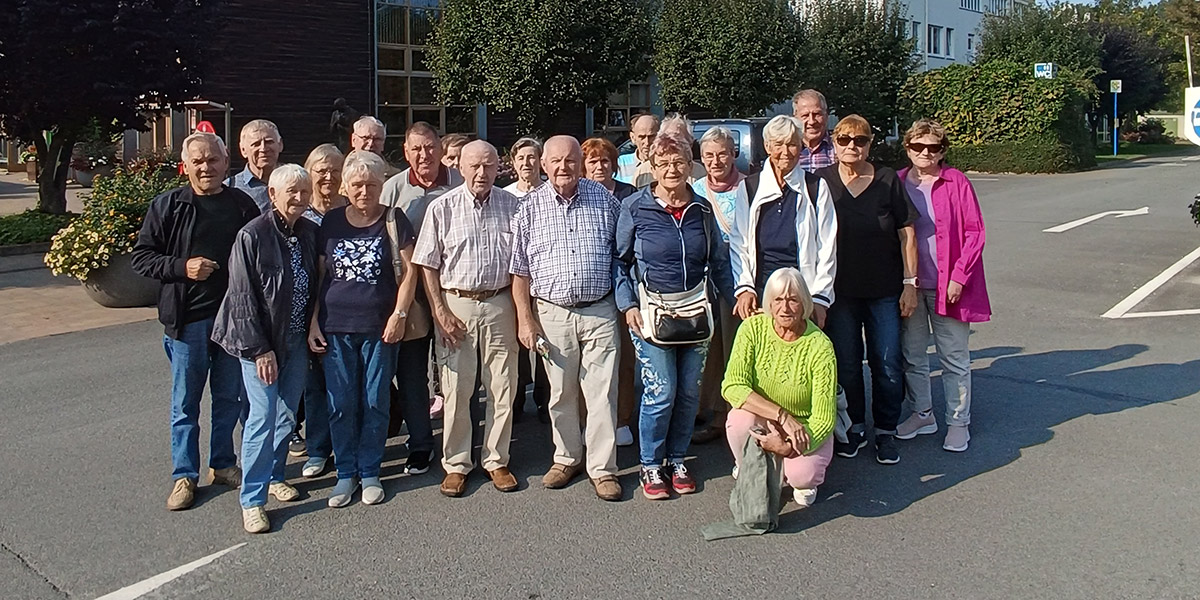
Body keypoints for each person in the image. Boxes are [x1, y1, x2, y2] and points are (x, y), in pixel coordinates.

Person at [131, 132, 260, 511]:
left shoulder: (240, 204)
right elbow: (142, 258)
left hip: (233, 321)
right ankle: (183, 475)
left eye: (213, 160)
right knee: (185, 403)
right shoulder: (169, 206)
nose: (206, 167)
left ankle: (222, 464)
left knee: (228, 398)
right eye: (198, 161)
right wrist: (181, 267)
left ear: (225, 162)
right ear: (185, 166)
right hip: (189, 321)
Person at [615, 132, 734, 500]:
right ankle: (651, 463)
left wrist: (732, 300)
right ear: (652, 166)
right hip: (652, 312)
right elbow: (620, 262)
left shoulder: (701, 209)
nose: (671, 169)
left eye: (678, 162)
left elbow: (718, 262)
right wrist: (628, 305)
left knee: (687, 393)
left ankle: (677, 458)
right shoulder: (635, 207)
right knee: (660, 391)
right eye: (663, 163)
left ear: (689, 166)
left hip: (696, 311)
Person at [510, 135, 623, 502]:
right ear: (544, 164)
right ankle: (567, 457)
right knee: (560, 393)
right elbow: (520, 273)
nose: (563, 167)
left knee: (602, 394)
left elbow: (621, 255)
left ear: (581, 162)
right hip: (553, 313)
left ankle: (602, 468)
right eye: (555, 161)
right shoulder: (528, 208)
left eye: (570, 160)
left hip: (600, 311)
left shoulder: (605, 199)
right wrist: (525, 320)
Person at [309, 151, 420, 507]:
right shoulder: (332, 222)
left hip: (379, 328)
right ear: (345, 187)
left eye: (371, 185)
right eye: (357, 185)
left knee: (375, 400)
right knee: (341, 402)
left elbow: (410, 271)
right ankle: (345, 474)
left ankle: (370, 471)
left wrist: (399, 315)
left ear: (381, 186)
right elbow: (320, 275)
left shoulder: (393, 219)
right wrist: (312, 321)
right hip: (335, 327)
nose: (364, 191)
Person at [211, 164, 318, 533]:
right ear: (272, 195)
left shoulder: (308, 232)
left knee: (288, 414)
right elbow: (242, 297)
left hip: (296, 338)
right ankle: (252, 500)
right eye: (292, 192)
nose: (300, 199)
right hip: (259, 342)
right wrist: (260, 350)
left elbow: (316, 285)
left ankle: (274, 476)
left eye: (305, 192)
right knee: (262, 417)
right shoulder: (252, 236)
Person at [413, 140, 522, 497]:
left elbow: (524, 264)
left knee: (502, 386)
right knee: (458, 389)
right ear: (460, 166)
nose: (481, 173)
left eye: (489, 166)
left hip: (500, 302)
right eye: (474, 165)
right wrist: (439, 311)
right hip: (456, 303)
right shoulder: (441, 208)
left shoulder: (514, 206)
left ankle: (496, 459)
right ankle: (457, 463)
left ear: (499, 168)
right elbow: (427, 264)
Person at [814, 114, 918, 465]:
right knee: (846, 364)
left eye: (860, 140)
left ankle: (886, 430)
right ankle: (854, 424)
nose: (851, 146)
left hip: (885, 289)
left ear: (870, 143)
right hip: (840, 292)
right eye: (844, 140)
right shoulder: (821, 182)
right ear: (834, 141)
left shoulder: (888, 180)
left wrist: (909, 284)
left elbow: (907, 234)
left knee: (887, 361)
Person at [896, 119, 990, 453]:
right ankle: (923, 413)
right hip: (910, 285)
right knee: (913, 355)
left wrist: (958, 277)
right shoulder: (898, 182)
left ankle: (957, 421)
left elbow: (974, 232)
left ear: (942, 151)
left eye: (933, 147)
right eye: (918, 146)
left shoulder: (957, 182)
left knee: (953, 357)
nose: (925, 153)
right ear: (907, 148)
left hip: (948, 285)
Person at [380, 122, 463, 475]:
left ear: (440, 148)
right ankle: (420, 444)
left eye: (429, 147)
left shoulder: (460, 181)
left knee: (458, 374)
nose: (424, 155)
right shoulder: (393, 189)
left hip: (455, 292)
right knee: (414, 374)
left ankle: (462, 441)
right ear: (405, 151)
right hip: (411, 295)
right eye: (416, 149)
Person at [722, 268, 837, 508]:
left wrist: (788, 446)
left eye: (793, 300)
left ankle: (792, 471)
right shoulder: (752, 329)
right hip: (768, 418)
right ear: (769, 304)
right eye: (778, 300)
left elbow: (825, 418)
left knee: (801, 476)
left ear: (804, 303)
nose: (785, 308)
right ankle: (750, 466)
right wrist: (781, 416)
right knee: (738, 419)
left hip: (803, 425)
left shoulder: (820, 347)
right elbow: (732, 386)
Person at [728, 115, 837, 328]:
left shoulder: (816, 187)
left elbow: (827, 246)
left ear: (801, 147)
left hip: (803, 291)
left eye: (792, 145)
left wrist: (820, 298)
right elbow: (739, 243)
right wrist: (744, 288)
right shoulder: (749, 188)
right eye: (778, 144)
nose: (785, 152)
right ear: (767, 146)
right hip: (762, 291)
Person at [582, 136, 638, 446]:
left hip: (623, 288)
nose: (599, 166)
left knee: (624, 359)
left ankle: (622, 419)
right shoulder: (580, 194)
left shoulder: (629, 195)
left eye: (604, 161)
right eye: (593, 161)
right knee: (590, 366)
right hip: (591, 290)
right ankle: (590, 420)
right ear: (584, 166)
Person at [690, 126, 745, 444]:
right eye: (709, 155)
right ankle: (702, 406)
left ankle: (730, 414)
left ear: (733, 152)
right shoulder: (695, 189)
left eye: (722, 153)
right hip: (700, 283)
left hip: (736, 283)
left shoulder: (748, 188)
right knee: (704, 348)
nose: (716, 160)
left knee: (732, 348)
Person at [297, 143, 347, 477]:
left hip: (345, 311)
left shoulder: (352, 209)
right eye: (321, 170)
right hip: (306, 311)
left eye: (334, 170)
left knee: (346, 383)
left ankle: (349, 444)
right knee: (313, 384)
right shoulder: (300, 214)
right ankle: (317, 449)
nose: (328, 176)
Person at [632, 114, 706, 188]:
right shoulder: (643, 171)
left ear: (690, 143)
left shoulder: (700, 172)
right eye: (667, 139)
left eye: (679, 139)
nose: (673, 144)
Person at [228, 119, 283, 213]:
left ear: (280, 145)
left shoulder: (297, 180)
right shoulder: (231, 187)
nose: (263, 149)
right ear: (243, 150)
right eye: (256, 144)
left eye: (269, 142)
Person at [792, 89, 837, 172]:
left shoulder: (839, 147)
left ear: (826, 116)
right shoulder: (787, 150)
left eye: (817, 114)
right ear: (795, 118)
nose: (812, 121)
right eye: (805, 115)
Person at [616, 113, 660, 184]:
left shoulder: (667, 165)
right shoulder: (619, 164)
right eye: (642, 137)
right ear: (633, 137)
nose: (647, 142)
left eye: (651, 136)